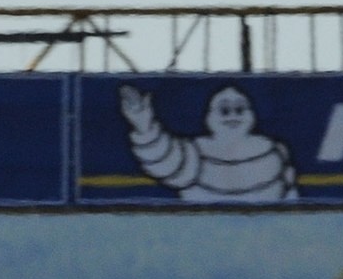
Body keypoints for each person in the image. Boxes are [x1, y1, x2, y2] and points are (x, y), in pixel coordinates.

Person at [117, 83, 297, 202]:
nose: (233, 116)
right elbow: (164, 158)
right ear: (210, 116)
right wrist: (144, 126)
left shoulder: (274, 151)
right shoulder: (196, 151)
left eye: (239, 109)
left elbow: (291, 196)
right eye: (224, 110)